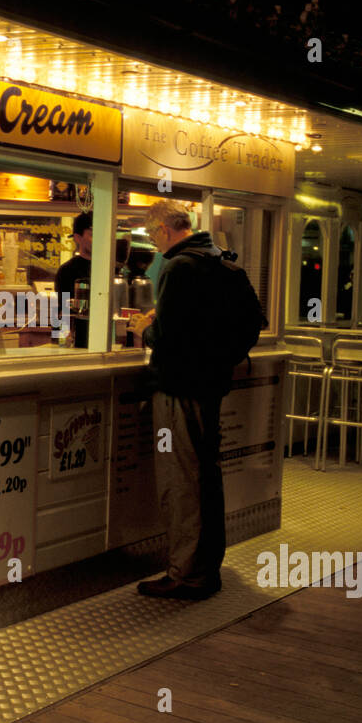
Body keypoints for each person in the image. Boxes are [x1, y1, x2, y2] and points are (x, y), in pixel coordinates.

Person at [128, 200, 229, 600]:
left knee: (181, 480)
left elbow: (169, 336)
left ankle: (186, 574)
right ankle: (207, 567)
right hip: (209, 384)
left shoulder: (178, 267)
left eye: (153, 235)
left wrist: (144, 328)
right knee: (206, 475)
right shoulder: (215, 258)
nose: (153, 244)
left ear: (165, 229)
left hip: (180, 386)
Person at [54, 211, 92, 347]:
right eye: (92, 234)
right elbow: (62, 311)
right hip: (78, 342)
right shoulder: (67, 270)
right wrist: (63, 339)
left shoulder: (111, 269)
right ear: (77, 238)